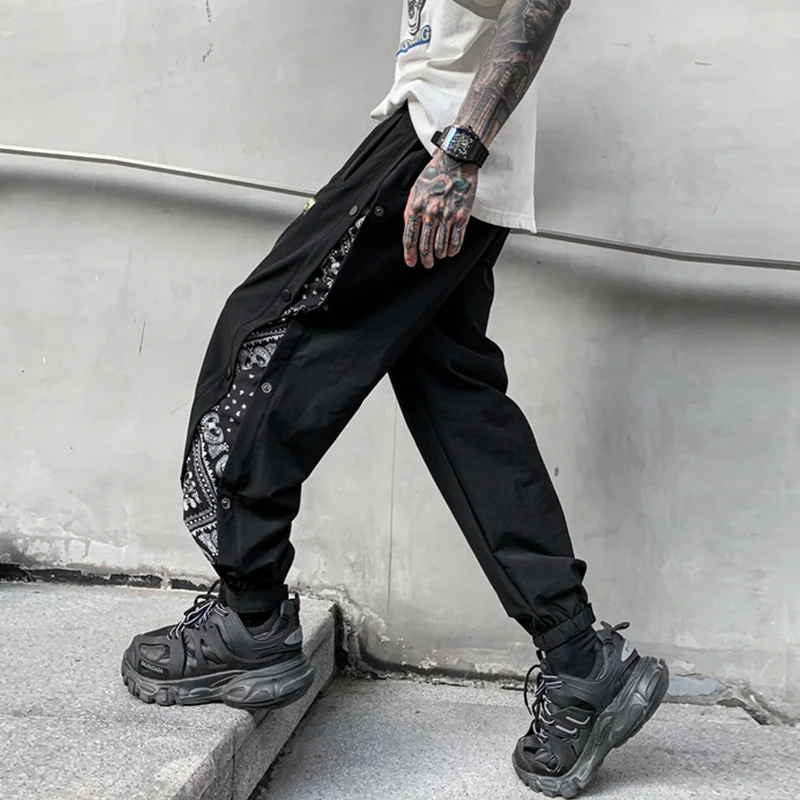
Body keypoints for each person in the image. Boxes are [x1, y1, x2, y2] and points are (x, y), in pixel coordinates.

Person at [121, 1, 669, 796]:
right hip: (454, 157)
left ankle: (250, 616)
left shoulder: (451, 144)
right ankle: (580, 657)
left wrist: (460, 151)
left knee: (260, 339)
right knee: (459, 408)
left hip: (438, 148)